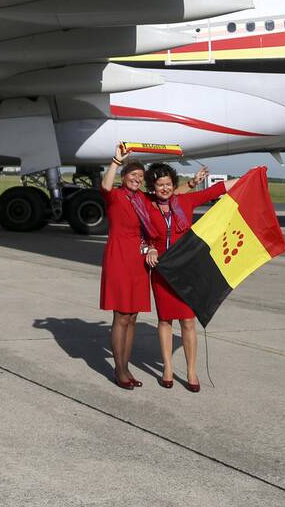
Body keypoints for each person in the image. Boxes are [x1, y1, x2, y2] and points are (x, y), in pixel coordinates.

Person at [143, 163, 238, 392]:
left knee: (187, 321)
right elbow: (139, 232)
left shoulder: (184, 201)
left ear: (174, 186)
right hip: (161, 271)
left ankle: (191, 371)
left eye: (168, 184)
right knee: (165, 320)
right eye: (159, 184)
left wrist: (251, 177)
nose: (164, 188)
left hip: (186, 270)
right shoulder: (145, 205)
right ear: (152, 187)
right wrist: (148, 249)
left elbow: (216, 191)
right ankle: (167, 368)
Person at [99, 143, 154, 390]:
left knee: (132, 316)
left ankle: (126, 365)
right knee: (120, 315)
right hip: (119, 257)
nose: (137, 179)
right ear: (124, 177)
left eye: (140, 176)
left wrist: (194, 183)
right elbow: (105, 185)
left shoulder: (142, 199)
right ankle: (118, 369)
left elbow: (170, 195)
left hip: (138, 260)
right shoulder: (116, 196)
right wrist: (117, 161)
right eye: (133, 175)